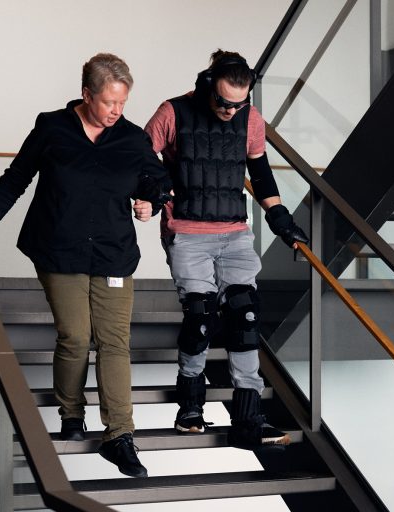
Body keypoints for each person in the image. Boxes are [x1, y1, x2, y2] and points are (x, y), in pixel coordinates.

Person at [0, 53, 168, 477]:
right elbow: (16, 177)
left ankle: (120, 436)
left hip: (113, 252)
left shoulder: (132, 138)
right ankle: (72, 414)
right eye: (109, 102)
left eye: (123, 102)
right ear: (86, 94)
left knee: (114, 341)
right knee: (76, 335)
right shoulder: (52, 128)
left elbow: (157, 179)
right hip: (59, 248)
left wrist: (152, 201)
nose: (117, 111)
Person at [135, 49, 308, 448]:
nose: (231, 111)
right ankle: (190, 407)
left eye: (239, 104)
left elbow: (260, 173)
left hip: (235, 233)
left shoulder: (251, 119)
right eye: (224, 102)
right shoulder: (173, 112)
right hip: (187, 231)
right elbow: (139, 155)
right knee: (200, 316)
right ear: (207, 84)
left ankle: (249, 420)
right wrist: (153, 192)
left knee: (245, 315)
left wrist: (279, 217)